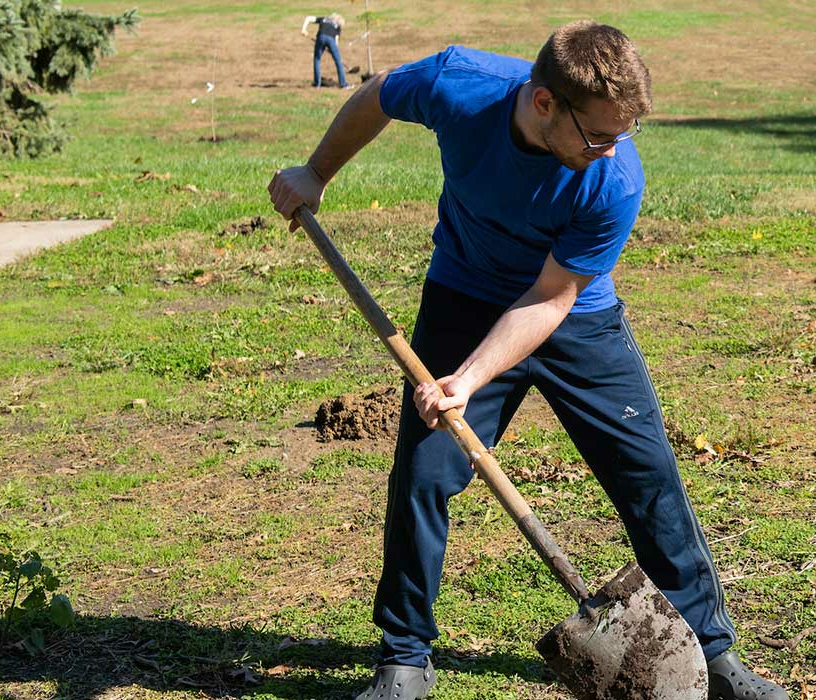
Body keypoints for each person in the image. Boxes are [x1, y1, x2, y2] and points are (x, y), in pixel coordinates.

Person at [266, 21, 788, 700]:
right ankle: (403, 658)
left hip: (577, 315)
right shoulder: (458, 85)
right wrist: (315, 172)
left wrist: (469, 379)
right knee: (424, 474)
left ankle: (711, 655)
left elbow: (550, 297)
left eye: (622, 135)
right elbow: (376, 97)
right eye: (597, 136)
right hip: (466, 294)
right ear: (545, 104)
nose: (610, 151)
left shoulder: (614, 176)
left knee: (648, 476)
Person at [301, 13, 350, 88]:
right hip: (331, 40)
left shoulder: (324, 19)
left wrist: (304, 29)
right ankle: (343, 84)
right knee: (338, 61)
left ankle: (317, 84)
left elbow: (308, 18)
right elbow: (336, 42)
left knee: (317, 59)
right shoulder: (338, 26)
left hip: (320, 37)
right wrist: (333, 50)